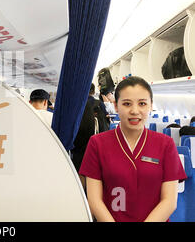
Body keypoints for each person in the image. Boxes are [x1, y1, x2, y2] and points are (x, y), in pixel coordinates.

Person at [79, 76, 186, 222]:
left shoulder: (166, 144)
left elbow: (169, 201)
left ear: (150, 105)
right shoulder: (97, 143)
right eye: (127, 104)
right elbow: (94, 200)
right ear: (116, 106)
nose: (135, 111)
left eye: (142, 103)